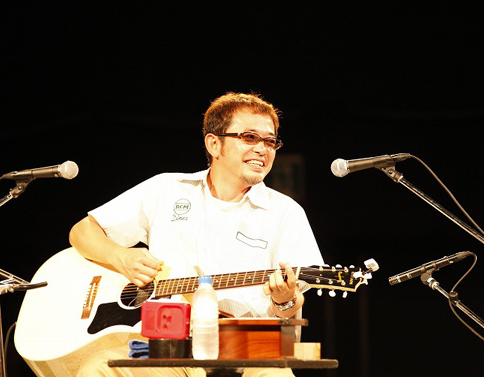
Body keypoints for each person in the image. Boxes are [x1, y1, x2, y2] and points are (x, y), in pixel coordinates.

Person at [69, 92, 325, 376]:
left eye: (270, 141)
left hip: (246, 352)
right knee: (98, 369)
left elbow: (289, 311)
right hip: (165, 349)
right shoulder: (166, 189)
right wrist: (120, 257)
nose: (262, 149)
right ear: (214, 144)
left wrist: (285, 298)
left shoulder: (286, 213)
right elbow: (82, 232)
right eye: (250, 137)